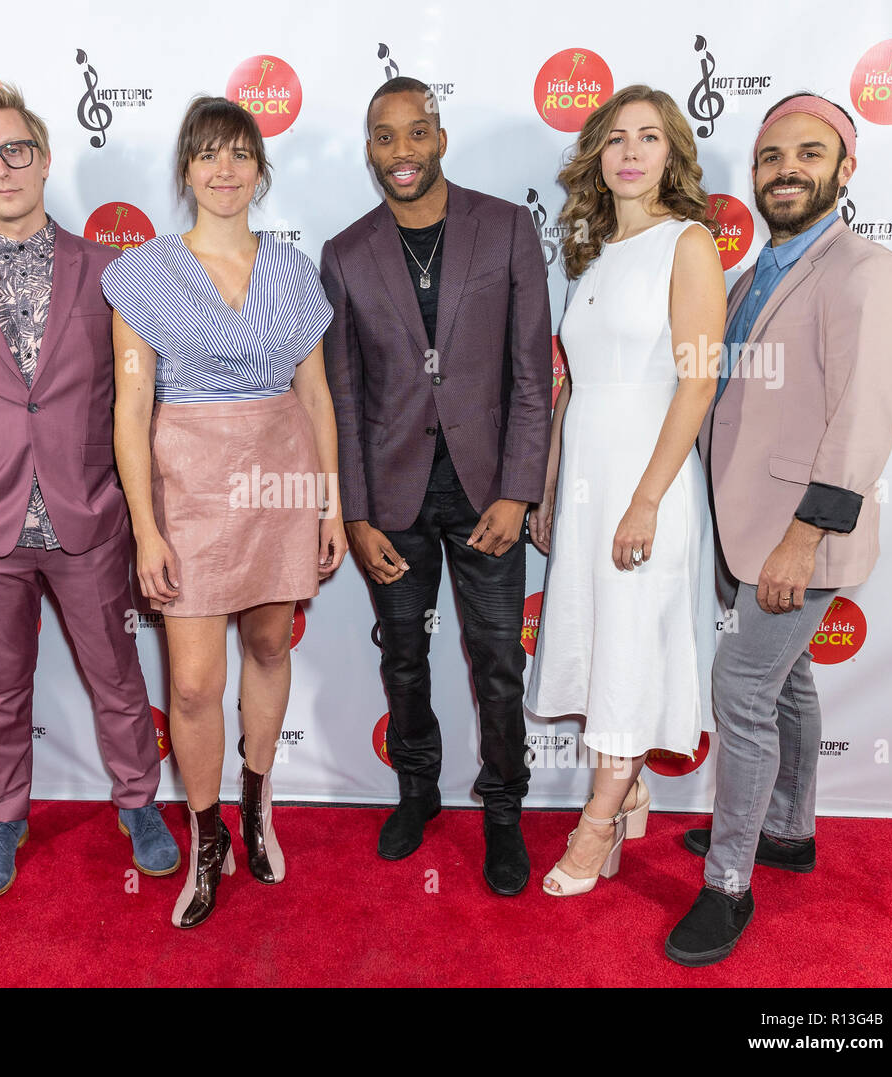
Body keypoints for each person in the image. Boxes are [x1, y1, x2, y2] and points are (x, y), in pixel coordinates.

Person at [0, 83, 177, 900]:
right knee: (0, 684)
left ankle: (139, 802)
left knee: (119, 677)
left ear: (44, 155)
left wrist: (137, 506)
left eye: (14, 149)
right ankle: (4, 815)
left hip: (89, 513)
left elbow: (142, 399)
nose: (1, 167)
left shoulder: (113, 271)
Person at [666, 92, 892, 965]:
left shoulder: (866, 272)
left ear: (845, 170)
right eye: (772, 157)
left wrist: (804, 537)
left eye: (810, 154)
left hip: (797, 535)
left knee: (741, 692)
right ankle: (788, 830)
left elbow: (862, 421)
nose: (787, 171)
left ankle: (729, 883)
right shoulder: (747, 278)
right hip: (744, 524)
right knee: (789, 682)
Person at [104, 96, 344, 928]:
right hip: (190, 488)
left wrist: (330, 505)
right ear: (185, 171)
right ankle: (208, 840)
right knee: (198, 681)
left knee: (272, 642)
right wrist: (145, 526)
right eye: (207, 154)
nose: (224, 170)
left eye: (239, 154)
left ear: (259, 170)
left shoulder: (292, 269)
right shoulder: (144, 273)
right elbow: (130, 412)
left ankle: (257, 799)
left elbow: (315, 393)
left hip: (281, 477)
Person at [320, 77, 551, 895]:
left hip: (490, 493)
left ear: (441, 138)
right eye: (385, 137)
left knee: (496, 661)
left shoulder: (508, 229)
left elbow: (532, 378)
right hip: (394, 501)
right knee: (406, 661)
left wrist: (520, 491)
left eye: (417, 132)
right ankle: (417, 792)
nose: (403, 151)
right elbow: (343, 398)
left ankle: (503, 813)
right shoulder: (345, 254)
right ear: (371, 149)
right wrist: (354, 512)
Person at [525, 85, 726, 896]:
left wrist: (644, 498)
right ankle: (630, 786)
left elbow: (698, 385)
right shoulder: (595, 250)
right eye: (615, 140)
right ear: (597, 158)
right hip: (586, 487)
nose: (631, 152)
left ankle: (597, 824)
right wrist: (547, 487)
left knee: (629, 650)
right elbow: (573, 386)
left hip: (652, 486)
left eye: (648, 137)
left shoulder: (689, 244)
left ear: (672, 153)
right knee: (597, 641)